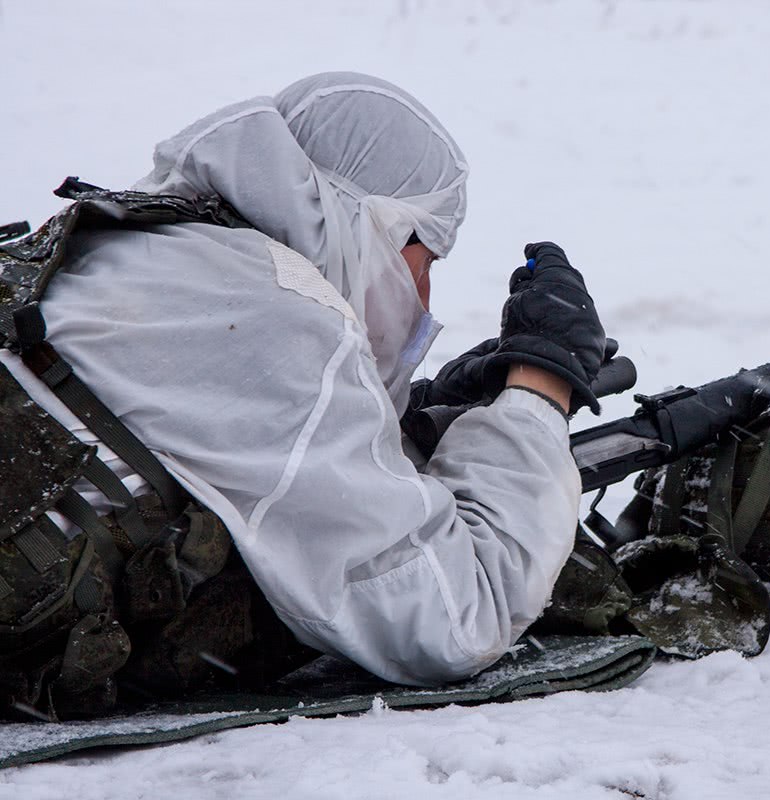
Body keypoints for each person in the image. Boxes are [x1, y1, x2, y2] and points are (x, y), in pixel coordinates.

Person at [0, 72, 607, 691]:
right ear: (377, 225)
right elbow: (449, 620)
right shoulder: (281, 312)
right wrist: (539, 389)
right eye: (426, 261)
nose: (424, 298)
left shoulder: (149, 247)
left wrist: (418, 420)